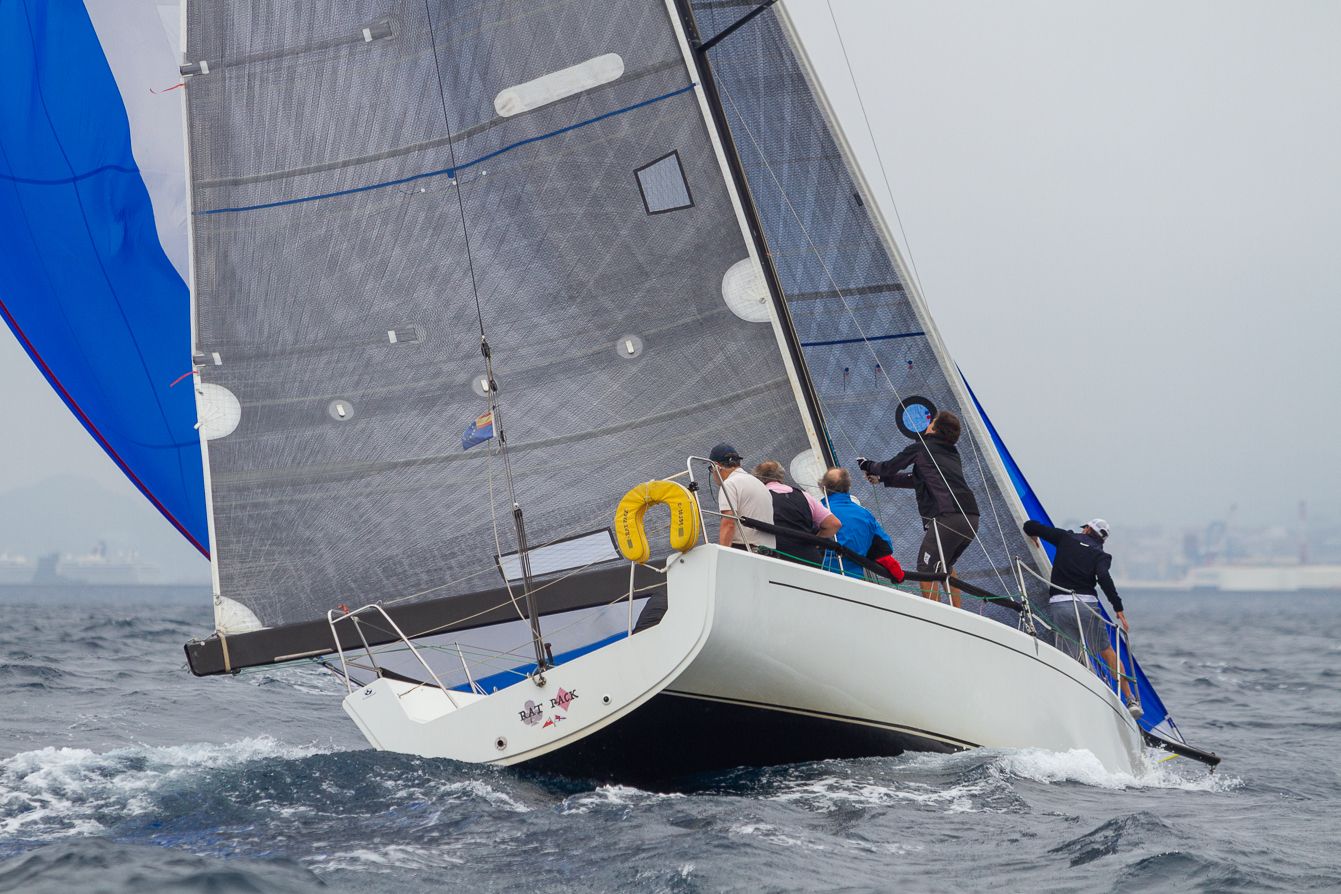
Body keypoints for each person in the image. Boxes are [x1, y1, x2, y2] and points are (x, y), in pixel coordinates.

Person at [859, 410, 979, 608]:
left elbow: (890, 466)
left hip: (948, 516)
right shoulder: (952, 454)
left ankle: (935, 617)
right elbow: (918, 480)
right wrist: (882, 479)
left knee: (926, 567)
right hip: (972, 517)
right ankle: (957, 614)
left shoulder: (921, 448)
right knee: (945, 565)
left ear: (934, 428)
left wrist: (868, 465)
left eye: (931, 422)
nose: (927, 425)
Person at [1023, 517, 1141, 716]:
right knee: (1106, 651)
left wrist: (1035, 537)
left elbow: (1029, 525)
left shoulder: (1065, 538)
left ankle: (1065, 704)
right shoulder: (1101, 554)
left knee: (1067, 657)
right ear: (1102, 538)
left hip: (1060, 605)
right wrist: (1118, 607)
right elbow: (1104, 578)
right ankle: (1130, 699)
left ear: (1086, 529)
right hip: (1087, 606)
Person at [818, 468, 901, 581]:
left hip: (819, 575)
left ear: (823, 486)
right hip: (853, 579)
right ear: (848, 486)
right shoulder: (865, 515)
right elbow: (884, 547)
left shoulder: (817, 511)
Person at [752, 461, 841, 566]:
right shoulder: (805, 496)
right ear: (781, 475)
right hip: (809, 559)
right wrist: (815, 542)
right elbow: (834, 524)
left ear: (758, 478)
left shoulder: (758, 496)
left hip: (777, 560)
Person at [708, 443, 774, 551]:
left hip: (746, 550)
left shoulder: (729, 484)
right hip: (769, 552)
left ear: (716, 466)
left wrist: (722, 554)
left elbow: (729, 522)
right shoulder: (760, 484)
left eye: (711, 469)